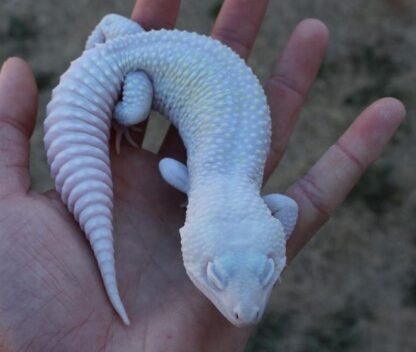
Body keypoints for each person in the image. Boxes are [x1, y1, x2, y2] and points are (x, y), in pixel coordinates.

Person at [0, 0, 405, 351]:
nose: (247, 309)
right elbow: (181, 173)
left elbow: (281, 209)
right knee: (129, 113)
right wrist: (115, 106)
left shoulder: (231, 193)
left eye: (263, 274)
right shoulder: (194, 182)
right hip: (137, 66)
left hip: (130, 45)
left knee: (126, 103)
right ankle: (110, 90)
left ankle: (101, 68)